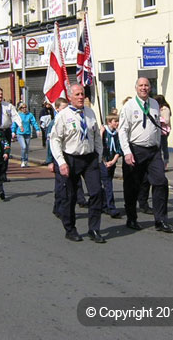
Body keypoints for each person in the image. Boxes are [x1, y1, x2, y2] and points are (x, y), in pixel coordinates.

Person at [50, 84, 105, 243]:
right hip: (71, 158)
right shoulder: (63, 115)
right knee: (70, 196)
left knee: (96, 193)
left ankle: (94, 229)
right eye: (78, 95)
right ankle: (70, 229)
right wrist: (61, 162)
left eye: (83, 94)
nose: (81, 97)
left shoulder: (90, 113)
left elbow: (96, 136)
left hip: (89, 159)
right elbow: (55, 140)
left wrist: (99, 156)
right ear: (70, 97)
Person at [118, 77, 173, 233]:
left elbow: (156, 128)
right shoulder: (129, 106)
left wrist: (159, 150)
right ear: (136, 88)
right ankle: (131, 218)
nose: (144, 88)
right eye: (141, 85)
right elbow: (122, 131)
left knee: (161, 182)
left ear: (150, 88)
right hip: (135, 150)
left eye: (146, 85)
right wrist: (127, 152)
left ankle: (161, 220)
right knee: (132, 187)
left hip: (153, 151)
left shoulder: (155, 104)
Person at [0, 88, 21, 177]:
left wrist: (20, 125)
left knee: (6, 151)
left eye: (1, 94)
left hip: (6, 131)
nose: (0, 96)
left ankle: (3, 174)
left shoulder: (8, 106)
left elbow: (15, 116)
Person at [45, 97, 69, 217]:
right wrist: (49, 161)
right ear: (57, 109)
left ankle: (64, 206)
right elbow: (50, 144)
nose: (66, 111)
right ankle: (58, 206)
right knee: (61, 184)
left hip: (68, 156)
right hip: (57, 157)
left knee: (68, 184)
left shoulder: (69, 120)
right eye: (63, 108)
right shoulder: (53, 123)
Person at [100, 114, 122, 218]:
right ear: (109, 122)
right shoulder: (104, 133)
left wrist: (113, 161)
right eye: (115, 121)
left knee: (107, 183)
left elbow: (118, 149)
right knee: (108, 184)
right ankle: (111, 207)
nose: (117, 123)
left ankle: (104, 205)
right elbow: (100, 147)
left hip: (112, 162)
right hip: (103, 162)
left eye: (118, 121)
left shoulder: (116, 134)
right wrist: (105, 161)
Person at [12, 103, 40, 168]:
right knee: (23, 147)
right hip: (20, 133)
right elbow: (15, 124)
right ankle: (22, 160)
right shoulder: (18, 115)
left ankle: (26, 161)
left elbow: (34, 122)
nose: (24, 109)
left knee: (27, 148)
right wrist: (13, 131)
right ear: (20, 109)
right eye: (22, 108)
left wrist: (37, 129)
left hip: (27, 133)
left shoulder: (30, 115)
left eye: (25, 107)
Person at [155, 95, 172, 171]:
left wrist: (158, 119)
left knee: (164, 147)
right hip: (159, 130)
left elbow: (166, 120)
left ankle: (165, 164)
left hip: (164, 131)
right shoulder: (159, 108)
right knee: (158, 147)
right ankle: (160, 164)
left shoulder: (165, 109)